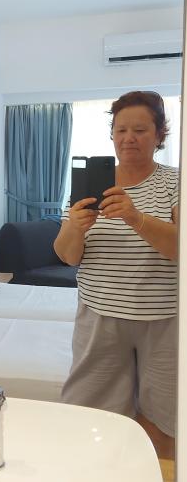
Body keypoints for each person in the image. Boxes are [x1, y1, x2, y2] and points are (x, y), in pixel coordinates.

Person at [54, 90, 178, 448]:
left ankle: (155, 479)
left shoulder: (175, 182)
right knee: (89, 413)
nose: (128, 138)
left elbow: (180, 249)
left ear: (159, 134)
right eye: (121, 130)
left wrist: (136, 218)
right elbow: (67, 256)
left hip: (163, 320)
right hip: (99, 317)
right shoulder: (89, 186)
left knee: (163, 417)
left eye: (140, 130)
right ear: (112, 135)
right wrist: (76, 228)